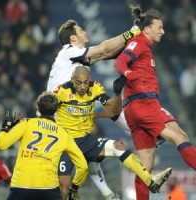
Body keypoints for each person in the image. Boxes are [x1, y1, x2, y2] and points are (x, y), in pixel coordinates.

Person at [46, 19, 140, 200]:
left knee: (111, 110)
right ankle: (137, 133)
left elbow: (107, 53)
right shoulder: (69, 52)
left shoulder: (76, 57)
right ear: (73, 38)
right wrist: (132, 33)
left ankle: (108, 194)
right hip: (61, 114)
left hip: (71, 107)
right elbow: (104, 49)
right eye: (81, 30)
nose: (85, 32)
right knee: (63, 185)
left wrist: (131, 44)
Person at [114, 3, 196, 200]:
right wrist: (128, 73)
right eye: (159, 27)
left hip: (136, 109)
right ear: (147, 29)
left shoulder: (145, 48)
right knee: (181, 137)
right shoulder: (138, 42)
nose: (163, 31)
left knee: (145, 168)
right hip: (144, 105)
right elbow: (120, 62)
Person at [53, 66, 172, 200]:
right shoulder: (61, 91)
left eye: (85, 82)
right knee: (64, 189)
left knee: (118, 146)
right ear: (72, 80)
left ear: (90, 80)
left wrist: (116, 93)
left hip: (85, 140)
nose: (82, 87)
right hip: (65, 144)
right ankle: (109, 196)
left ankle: (151, 181)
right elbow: (43, 108)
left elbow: (114, 110)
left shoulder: (95, 88)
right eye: (78, 83)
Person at [0, 92, 88, 200]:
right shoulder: (64, 134)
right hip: (49, 187)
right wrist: (75, 187)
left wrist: (4, 129)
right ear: (56, 110)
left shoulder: (26, 123)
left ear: (38, 107)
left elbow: (1, 145)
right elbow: (83, 166)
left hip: (21, 185)